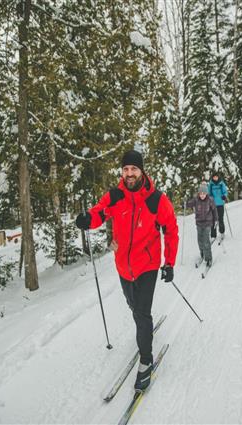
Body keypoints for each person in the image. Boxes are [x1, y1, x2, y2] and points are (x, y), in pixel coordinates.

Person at [75, 150, 179, 392]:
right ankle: (144, 328)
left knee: (142, 313)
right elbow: (99, 213)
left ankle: (146, 359)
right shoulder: (115, 196)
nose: (129, 173)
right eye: (126, 169)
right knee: (134, 307)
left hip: (148, 265)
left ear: (142, 171)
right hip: (123, 266)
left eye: (134, 169)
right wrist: (86, 219)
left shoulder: (156, 200)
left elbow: (171, 230)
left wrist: (169, 262)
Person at [186, 182, 217, 266]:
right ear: (199, 193)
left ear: (206, 193)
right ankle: (202, 254)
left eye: (204, 193)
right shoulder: (196, 200)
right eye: (201, 193)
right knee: (200, 240)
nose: (202, 195)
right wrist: (184, 203)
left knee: (206, 241)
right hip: (199, 223)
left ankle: (209, 258)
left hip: (208, 223)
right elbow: (189, 204)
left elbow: (214, 210)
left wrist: (216, 220)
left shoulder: (210, 200)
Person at [208, 171, 228, 239]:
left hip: (220, 204)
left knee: (220, 219)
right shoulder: (211, 184)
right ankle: (213, 235)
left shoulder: (221, 183)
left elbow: (225, 191)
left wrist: (224, 196)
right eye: (214, 177)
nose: (215, 178)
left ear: (218, 177)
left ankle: (222, 232)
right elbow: (209, 193)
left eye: (216, 177)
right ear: (212, 177)